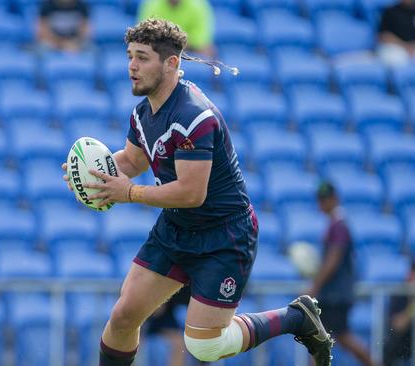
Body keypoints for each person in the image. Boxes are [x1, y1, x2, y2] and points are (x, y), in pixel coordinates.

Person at [61, 18, 333, 366]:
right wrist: (93, 176)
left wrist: (126, 192)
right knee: (123, 317)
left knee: (204, 347)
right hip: (177, 228)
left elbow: (192, 193)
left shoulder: (193, 116)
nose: (131, 66)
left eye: (142, 57)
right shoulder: (144, 112)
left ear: (171, 63)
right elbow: (131, 159)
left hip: (224, 235)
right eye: (130, 56)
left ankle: (297, 317)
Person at [309, 181, 377, 366]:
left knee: (327, 339)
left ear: (335, 199)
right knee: (329, 338)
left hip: (334, 296)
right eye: (320, 200)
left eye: (325, 199)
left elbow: (333, 259)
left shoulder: (338, 225)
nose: (322, 204)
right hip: (336, 294)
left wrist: (315, 286)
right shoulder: (336, 224)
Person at [384, 257, 415, 366]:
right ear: (408, 276)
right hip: (403, 340)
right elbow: (397, 326)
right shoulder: (399, 294)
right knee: (390, 343)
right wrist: (414, 307)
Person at [138, 0, 215, 56]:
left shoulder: (199, 5)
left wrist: (172, 43)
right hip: (159, 49)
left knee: (207, 49)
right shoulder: (151, 4)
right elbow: (146, 34)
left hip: (190, 50)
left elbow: (200, 40)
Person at [378, 0, 415, 66]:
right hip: (397, 47)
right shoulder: (390, 11)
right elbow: (384, 36)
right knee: (395, 59)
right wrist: (405, 46)